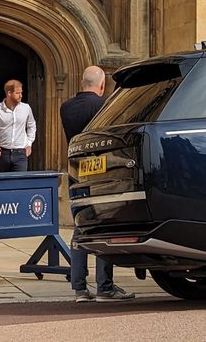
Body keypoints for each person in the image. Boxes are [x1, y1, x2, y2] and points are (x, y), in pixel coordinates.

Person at [60, 65, 135, 303]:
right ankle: (105, 286)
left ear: (82, 83)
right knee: (104, 227)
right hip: (102, 171)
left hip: (77, 171)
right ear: (102, 85)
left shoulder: (66, 107)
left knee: (80, 228)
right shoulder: (105, 105)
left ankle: (79, 288)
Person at [0, 79, 36, 172]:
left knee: (20, 184)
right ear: (9, 93)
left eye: (21, 92)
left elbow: (31, 126)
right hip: (2, 153)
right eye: (17, 93)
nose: (21, 95)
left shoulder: (26, 108)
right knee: (1, 184)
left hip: (20, 153)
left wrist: (29, 143)